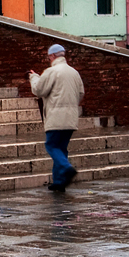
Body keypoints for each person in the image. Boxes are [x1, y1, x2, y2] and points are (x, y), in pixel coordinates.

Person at [29, 43, 83, 193]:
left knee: (52, 145)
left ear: (52, 56)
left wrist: (34, 77)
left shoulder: (51, 71)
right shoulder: (74, 73)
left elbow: (39, 90)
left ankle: (66, 168)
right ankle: (59, 182)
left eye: (49, 57)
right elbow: (81, 93)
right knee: (61, 148)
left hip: (56, 117)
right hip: (71, 118)